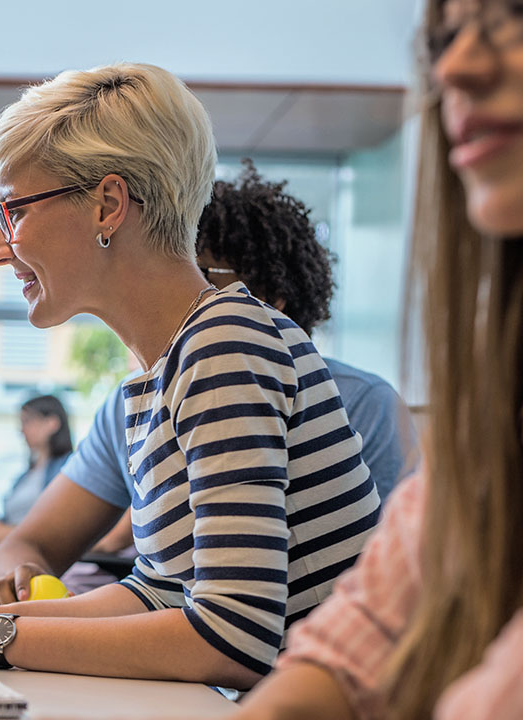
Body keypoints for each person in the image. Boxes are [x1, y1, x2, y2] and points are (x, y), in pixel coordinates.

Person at [0, 63, 379, 689]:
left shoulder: (224, 344)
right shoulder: (161, 369)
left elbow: (233, 636)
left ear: (108, 205)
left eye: (13, 212)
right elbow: (157, 593)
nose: (0, 249)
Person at [214, 1, 523, 717]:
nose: (455, 66)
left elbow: (231, 629)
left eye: (513, 12)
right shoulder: (493, 404)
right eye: (442, 36)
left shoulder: (356, 396)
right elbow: (357, 641)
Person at [0, 162, 422, 599]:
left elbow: (240, 624)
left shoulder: (356, 400)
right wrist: (21, 599)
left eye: (202, 275)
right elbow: (160, 593)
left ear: (267, 298)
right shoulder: (135, 402)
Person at [0, 395, 73, 557]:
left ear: (52, 423)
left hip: (36, 554)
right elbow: (5, 525)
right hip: (12, 552)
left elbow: (60, 526)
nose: (21, 430)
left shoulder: (68, 468)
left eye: (27, 421)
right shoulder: (25, 476)